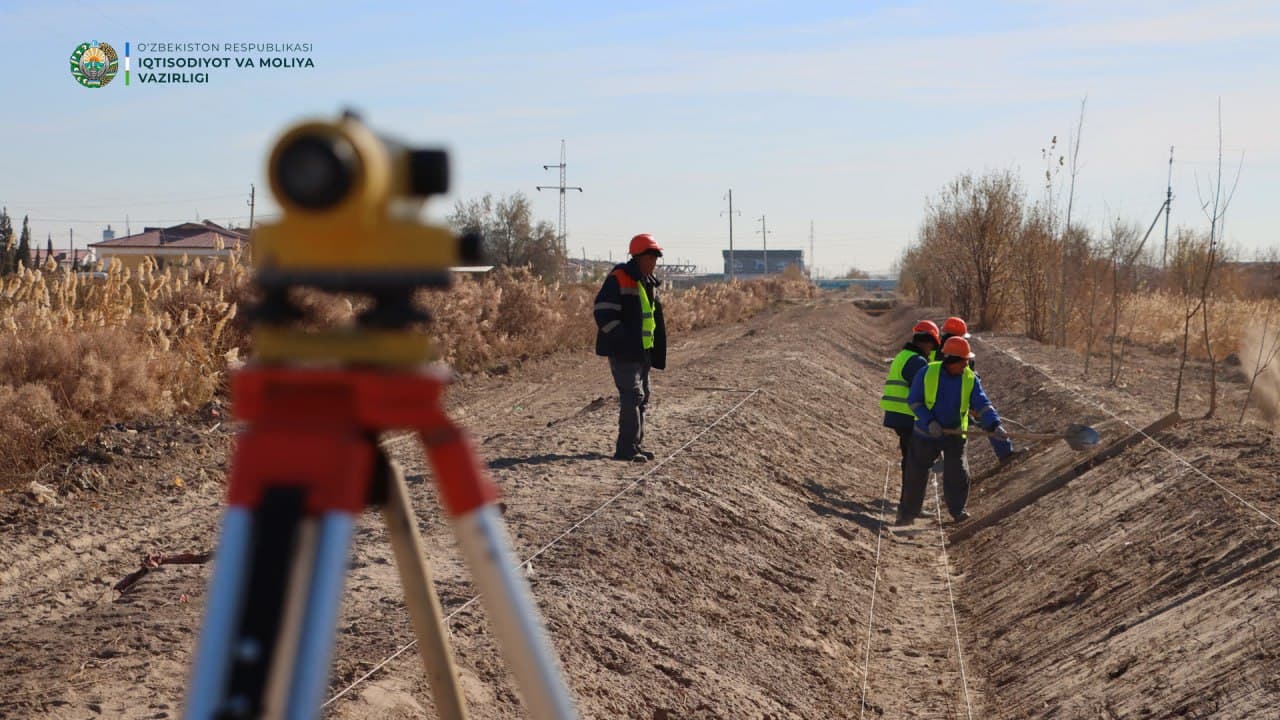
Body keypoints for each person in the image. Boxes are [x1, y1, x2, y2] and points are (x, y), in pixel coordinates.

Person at [897, 336, 1008, 525]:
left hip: (955, 435)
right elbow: (914, 401)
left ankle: (957, 511)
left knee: (957, 473)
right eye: (963, 361)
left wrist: (994, 425)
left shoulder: (970, 378)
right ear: (951, 361)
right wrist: (930, 422)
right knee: (916, 474)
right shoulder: (926, 373)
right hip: (925, 434)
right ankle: (907, 514)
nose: (966, 365)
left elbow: (982, 404)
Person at [593, 233, 667, 462]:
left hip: (643, 351)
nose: (654, 261)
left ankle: (635, 445)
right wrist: (621, 339)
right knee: (632, 396)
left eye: (656, 257)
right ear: (637, 257)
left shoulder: (648, 282)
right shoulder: (619, 278)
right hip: (624, 351)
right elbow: (603, 312)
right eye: (650, 257)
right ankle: (625, 449)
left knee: (642, 398)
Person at [938, 315, 1020, 465]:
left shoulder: (938, 352)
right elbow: (969, 381)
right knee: (986, 419)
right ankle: (1005, 453)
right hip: (963, 398)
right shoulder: (959, 354)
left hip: (942, 403)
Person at [881, 320, 941, 514]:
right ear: (928, 342)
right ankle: (910, 507)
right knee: (916, 462)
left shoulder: (904, 355)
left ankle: (908, 505)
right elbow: (923, 391)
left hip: (898, 414)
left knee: (912, 460)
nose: (933, 350)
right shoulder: (917, 361)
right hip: (907, 416)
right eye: (933, 345)